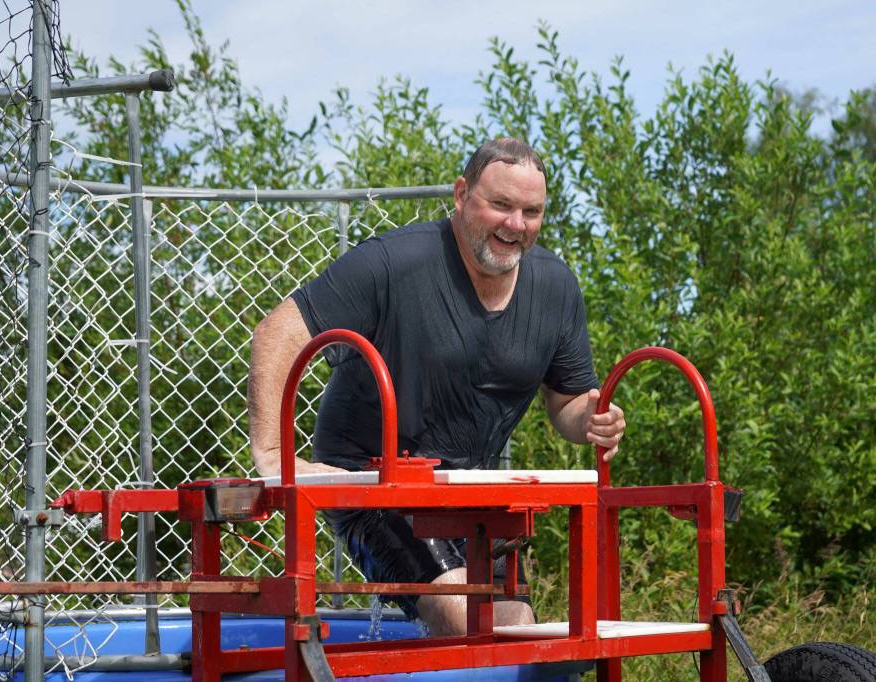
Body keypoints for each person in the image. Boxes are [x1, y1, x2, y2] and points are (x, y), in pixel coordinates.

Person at [247, 138, 625, 636]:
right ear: (462, 194)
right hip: (374, 486)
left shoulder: (555, 286)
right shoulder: (392, 263)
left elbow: (568, 401)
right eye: (501, 205)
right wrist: (272, 454)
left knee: (515, 626)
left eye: (531, 211)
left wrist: (593, 418)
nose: (516, 224)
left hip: (472, 493)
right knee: (466, 619)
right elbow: (277, 333)